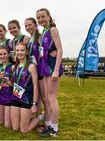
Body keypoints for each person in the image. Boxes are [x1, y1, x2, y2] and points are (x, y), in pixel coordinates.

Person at [36, 8, 63, 137]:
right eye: (38, 18)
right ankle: (51, 125)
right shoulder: (44, 32)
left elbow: (60, 50)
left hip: (52, 68)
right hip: (45, 68)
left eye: (43, 17)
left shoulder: (53, 30)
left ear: (48, 16)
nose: (41, 19)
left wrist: (56, 70)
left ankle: (55, 129)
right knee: (47, 98)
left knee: (52, 98)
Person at [10, 43, 44, 133]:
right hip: (15, 97)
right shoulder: (14, 67)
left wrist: (34, 104)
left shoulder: (31, 66)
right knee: (15, 128)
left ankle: (40, 117)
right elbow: (14, 84)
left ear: (26, 52)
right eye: (17, 50)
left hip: (26, 99)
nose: (19, 52)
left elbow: (36, 87)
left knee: (24, 130)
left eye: (22, 50)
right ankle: (27, 118)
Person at [24, 17, 47, 117]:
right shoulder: (28, 39)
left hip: (40, 72)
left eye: (30, 25)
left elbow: (45, 52)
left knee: (44, 98)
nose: (28, 27)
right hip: (32, 72)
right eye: (26, 26)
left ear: (35, 25)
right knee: (35, 96)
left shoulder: (40, 37)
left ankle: (47, 119)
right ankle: (38, 118)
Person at [0, 47, 14, 128]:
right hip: (0, 96)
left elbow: (14, 85)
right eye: (0, 54)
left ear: (9, 54)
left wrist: (4, 79)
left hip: (9, 97)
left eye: (5, 54)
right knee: (0, 123)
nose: (3, 56)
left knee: (7, 125)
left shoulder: (12, 67)